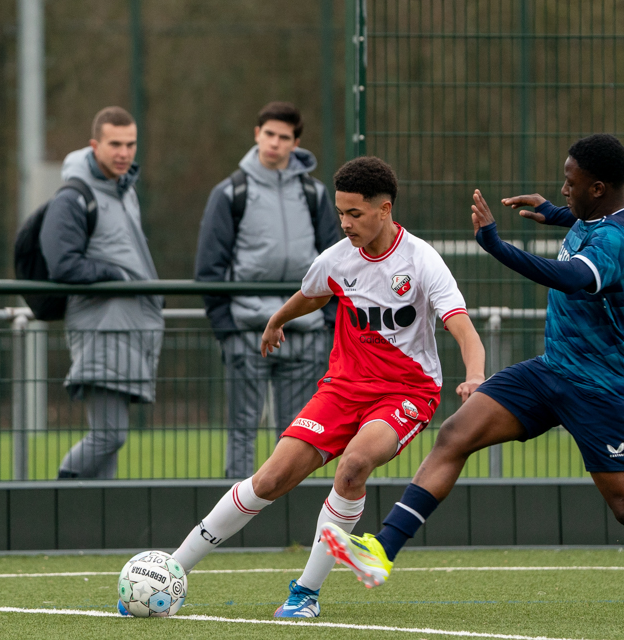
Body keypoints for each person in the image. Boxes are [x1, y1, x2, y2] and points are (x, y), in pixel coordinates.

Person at [322, 135, 624, 628]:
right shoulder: (610, 215)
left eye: (571, 183)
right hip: (553, 369)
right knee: (456, 434)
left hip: (603, 387)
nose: (564, 188)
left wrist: (497, 247)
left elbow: (571, 277)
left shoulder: (612, 240)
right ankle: (381, 550)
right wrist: (554, 212)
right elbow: (588, 223)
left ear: (599, 187)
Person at [168, 156, 485, 619]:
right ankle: (174, 570)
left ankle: (305, 594)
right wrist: (277, 319)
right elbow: (314, 293)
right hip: (341, 388)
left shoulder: (421, 261)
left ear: (385, 208)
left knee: (354, 465)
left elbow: (463, 328)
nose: (345, 223)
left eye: (355, 213)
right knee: (271, 479)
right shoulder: (336, 258)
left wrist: (474, 374)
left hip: (406, 393)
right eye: (340, 212)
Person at [195, 101, 340, 479]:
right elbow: (208, 269)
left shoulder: (315, 194)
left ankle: (289, 522)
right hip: (247, 332)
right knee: (242, 433)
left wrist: (326, 323)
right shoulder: (230, 193)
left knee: (299, 436)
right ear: (257, 134)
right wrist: (227, 330)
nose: (275, 143)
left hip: (305, 335)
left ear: (296, 143)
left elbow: (336, 263)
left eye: (284, 137)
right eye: (269, 134)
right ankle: (234, 528)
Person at [44, 106, 164, 480]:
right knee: (109, 435)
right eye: (115, 144)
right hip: (102, 327)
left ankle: (97, 526)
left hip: (128, 327)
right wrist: (115, 275)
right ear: (95, 145)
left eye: (130, 144)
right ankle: (59, 491)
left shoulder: (124, 191)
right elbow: (62, 265)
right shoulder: (74, 196)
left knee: (110, 441)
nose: (123, 153)